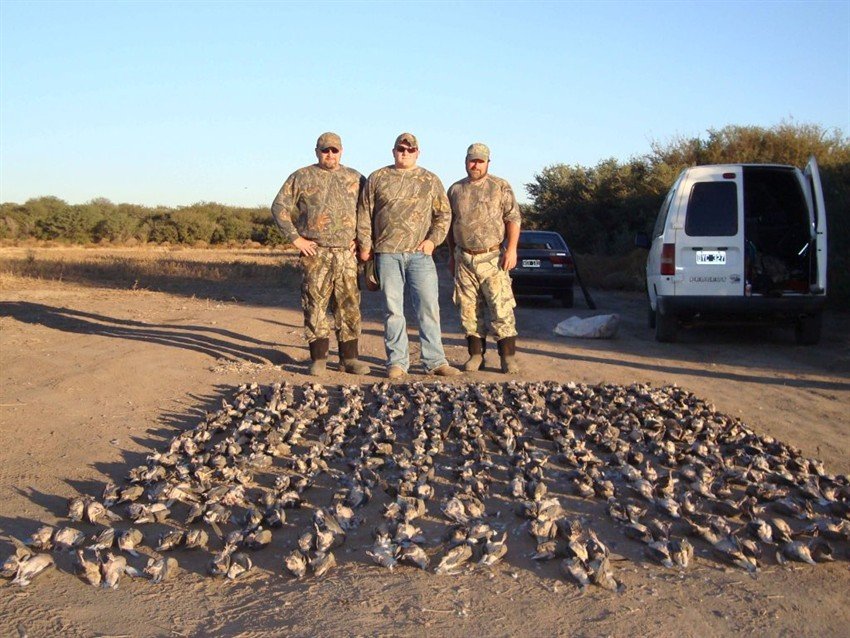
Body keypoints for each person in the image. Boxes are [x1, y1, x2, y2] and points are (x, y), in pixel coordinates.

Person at [356, 132, 461, 379]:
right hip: (387, 254)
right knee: (393, 310)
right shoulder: (378, 178)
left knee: (428, 308)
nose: (405, 153)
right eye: (401, 149)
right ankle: (397, 362)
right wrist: (365, 247)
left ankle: (435, 361)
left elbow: (444, 215)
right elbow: (364, 214)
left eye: (410, 149)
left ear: (417, 153)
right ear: (393, 151)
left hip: (420, 256)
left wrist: (432, 241)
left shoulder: (430, 180)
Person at [271, 132, 369, 376]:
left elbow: (369, 211)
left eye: (334, 150)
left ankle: (349, 359)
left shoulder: (356, 178)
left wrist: (361, 240)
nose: (330, 154)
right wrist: (296, 238)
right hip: (316, 253)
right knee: (314, 304)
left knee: (349, 305)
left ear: (341, 151)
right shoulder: (301, 176)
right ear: (317, 152)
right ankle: (319, 359)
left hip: (346, 254)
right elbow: (279, 206)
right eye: (325, 150)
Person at [447, 143, 521, 373]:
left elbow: (513, 218)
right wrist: (452, 255)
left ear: (488, 163)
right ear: (466, 161)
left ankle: (507, 357)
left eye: (480, 161)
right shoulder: (455, 190)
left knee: (501, 308)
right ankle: (476, 355)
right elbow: (450, 225)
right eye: (472, 161)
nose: (475, 165)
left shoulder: (500, 186)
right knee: (468, 310)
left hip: (493, 257)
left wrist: (512, 249)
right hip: (464, 258)